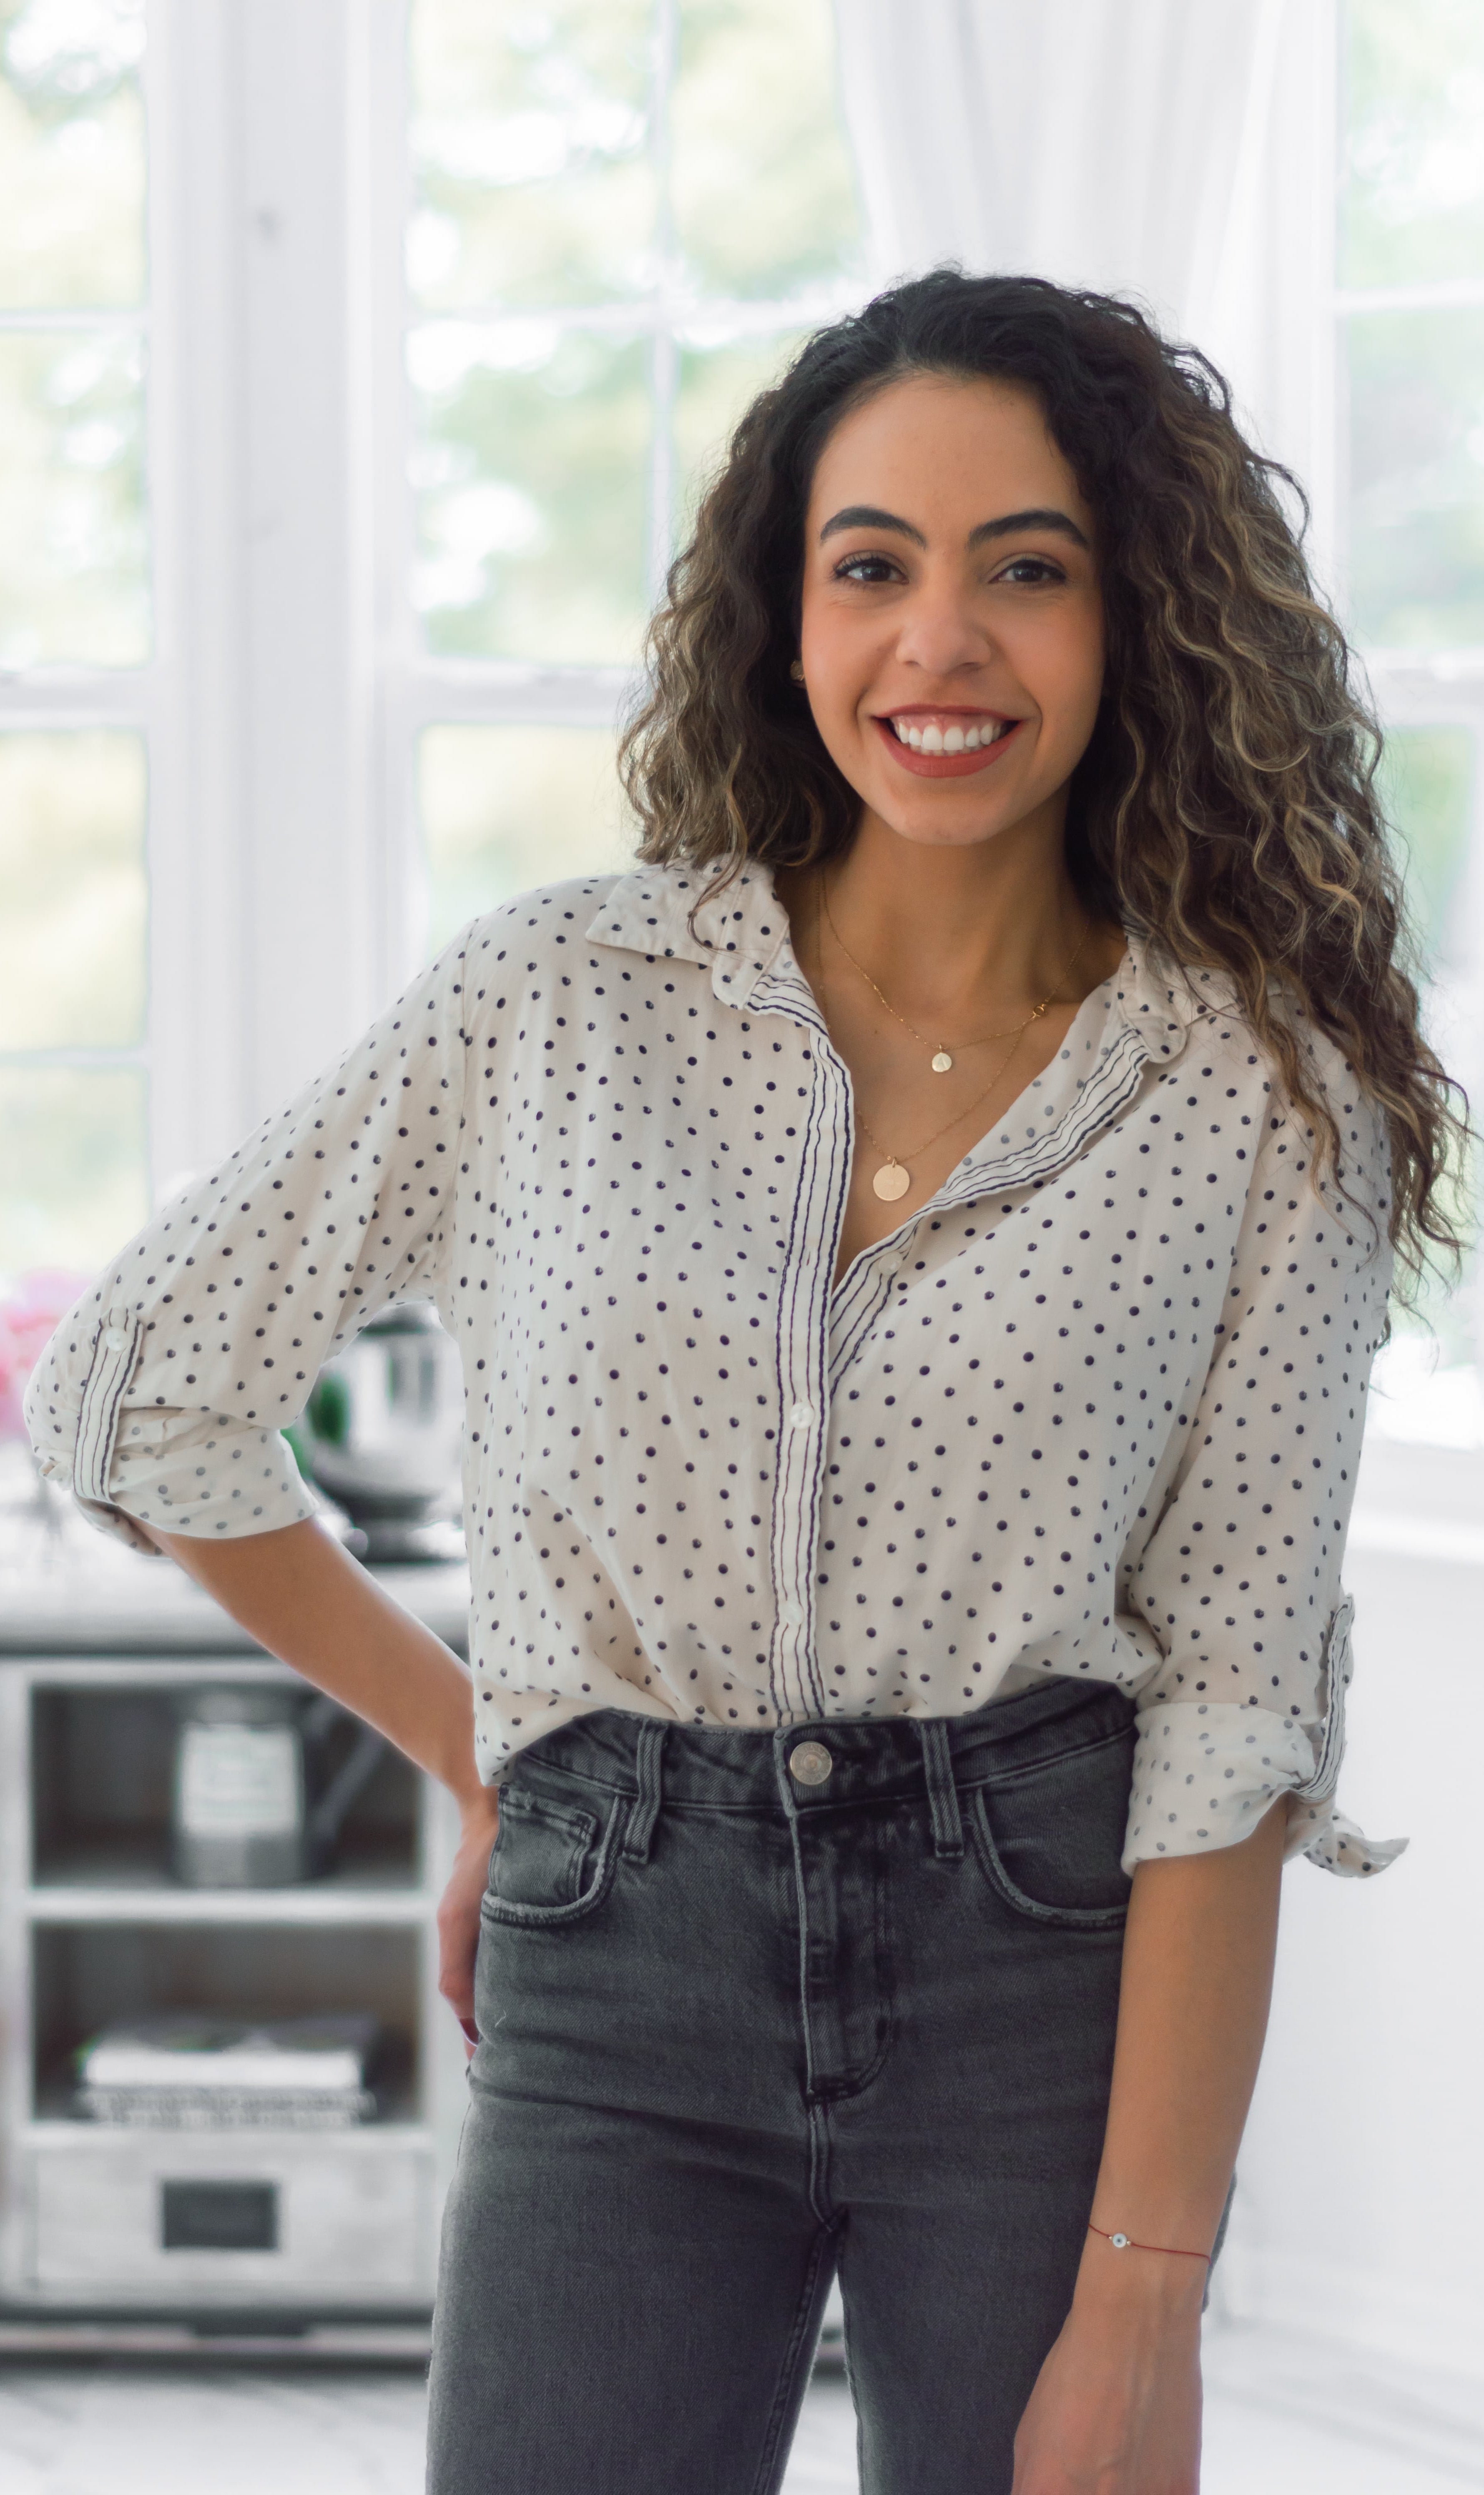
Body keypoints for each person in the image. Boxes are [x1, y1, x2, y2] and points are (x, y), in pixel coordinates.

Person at [28, 270, 1466, 2495]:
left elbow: (1233, 1717)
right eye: (870, 567)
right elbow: (136, 1388)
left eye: (1028, 572)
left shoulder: (1257, 1105)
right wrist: (496, 1754)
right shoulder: (561, 1006)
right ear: (784, 624)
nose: (939, 646)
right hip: (621, 1963)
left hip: (1041, 1977)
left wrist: (1146, 2301)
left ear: (1138, 620)